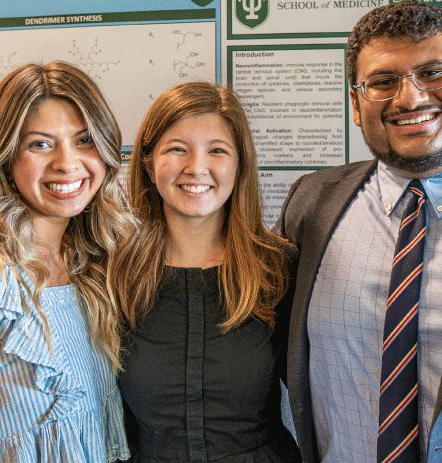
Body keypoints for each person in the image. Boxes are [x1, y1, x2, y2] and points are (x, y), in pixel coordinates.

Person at [275, 0, 442, 462]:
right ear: (356, 105)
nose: (410, 98)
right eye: (382, 82)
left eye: (433, 72)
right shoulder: (310, 203)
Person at [0, 61, 134, 462]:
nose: (66, 162)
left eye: (83, 140)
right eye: (40, 144)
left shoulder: (88, 264)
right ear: (6, 157)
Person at [109, 81, 301, 463]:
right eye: (177, 149)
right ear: (147, 163)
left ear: (239, 163)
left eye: (217, 150)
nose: (197, 167)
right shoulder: (112, 271)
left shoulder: (279, 269)